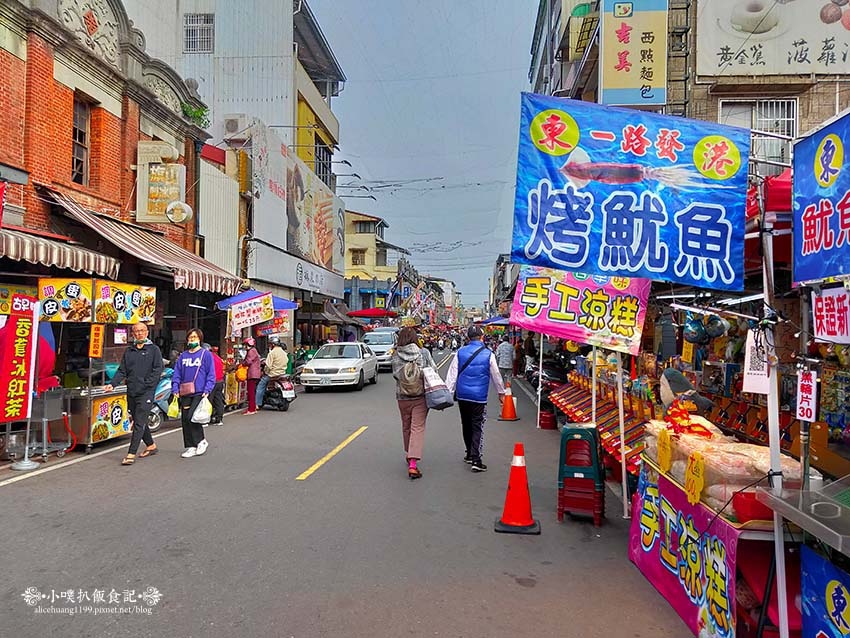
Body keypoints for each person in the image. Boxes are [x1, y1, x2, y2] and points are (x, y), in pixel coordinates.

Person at [446, 325, 505, 473]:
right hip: (479, 396)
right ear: (482, 337)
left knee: (466, 423)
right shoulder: (488, 354)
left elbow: (452, 374)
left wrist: (448, 392)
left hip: (462, 395)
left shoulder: (460, 352)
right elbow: (496, 375)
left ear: (468, 338)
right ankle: (476, 459)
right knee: (477, 425)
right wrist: (501, 392)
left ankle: (469, 452)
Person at [107, 322, 163, 466]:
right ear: (132, 334)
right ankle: (151, 446)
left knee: (138, 422)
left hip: (146, 392)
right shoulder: (129, 351)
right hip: (131, 391)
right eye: (136, 331)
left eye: (142, 331)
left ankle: (131, 453)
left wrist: (147, 384)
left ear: (147, 332)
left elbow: (157, 370)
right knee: (140, 420)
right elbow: (122, 371)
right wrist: (112, 384)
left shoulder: (154, 350)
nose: (139, 333)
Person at [391, 327, 436, 480]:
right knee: (417, 428)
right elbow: (433, 370)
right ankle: (413, 464)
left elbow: (396, 375)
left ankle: (409, 453)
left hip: (402, 396)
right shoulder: (423, 353)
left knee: (406, 426)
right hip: (420, 396)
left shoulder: (396, 354)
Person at [171, 328, 216, 458]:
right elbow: (177, 373)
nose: (192, 340)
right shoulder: (183, 356)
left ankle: (201, 441)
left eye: (195, 337)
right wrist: (175, 388)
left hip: (199, 392)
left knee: (193, 417)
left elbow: (211, 374)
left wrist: (207, 389)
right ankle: (190, 446)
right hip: (185, 392)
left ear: (200, 339)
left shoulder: (205, 355)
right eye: (190, 337)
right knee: (185, 419)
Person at [256, 337, 289, 408]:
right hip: (282, 373)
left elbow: (268, 366)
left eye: (270, 344)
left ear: (273, 344)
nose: (269, 346)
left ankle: (257, 404)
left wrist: (265, 372)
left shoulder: (272, 353)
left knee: (261, 385)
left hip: (273, 374)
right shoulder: (284, 353)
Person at [204, 343, 225, 426]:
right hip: (220, 381)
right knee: (218, 400)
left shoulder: (206, 358)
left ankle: (205, 420)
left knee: (207, 401)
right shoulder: (218, 358)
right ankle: (219, 419)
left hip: (211, 382)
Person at [242, 336, 262, 415]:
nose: (245, 347)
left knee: (251, 392)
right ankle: (252, 408)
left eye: (245, 345)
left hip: (252, 374)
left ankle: (251, 409)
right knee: (251, 392)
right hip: (254, 374)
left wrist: (242, 363)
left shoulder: (251, 351)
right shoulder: (254, 350)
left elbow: (248, 361)